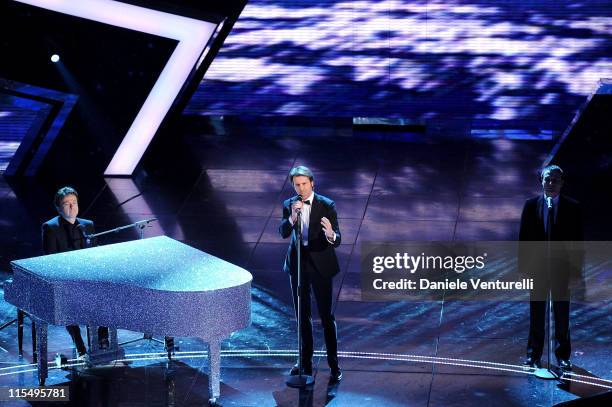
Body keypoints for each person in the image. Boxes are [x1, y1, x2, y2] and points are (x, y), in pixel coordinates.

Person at [279, 166, 343, 383]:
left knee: (326, 317)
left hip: (321, 265)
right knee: (302, 316)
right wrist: (292, 219)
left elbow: (338, 237)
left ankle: (334, 364)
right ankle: (304, 361)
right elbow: (282, 232)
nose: (301, 188)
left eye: (304, 183)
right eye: (297, 184)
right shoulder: (290, 205)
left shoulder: (327, 205)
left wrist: (331, 234)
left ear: (312, 183)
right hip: (298, 264)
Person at [519, 165, 583, 371]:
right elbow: (524, 239)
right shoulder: (531, 206)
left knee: (561, 314)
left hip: (562, 270)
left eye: (555, 180)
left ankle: (562, 356)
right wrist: (523, 269)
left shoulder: (573, 207)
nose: (550, 183)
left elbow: (578, 243)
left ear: (562, 183)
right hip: (537, 269)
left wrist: (575, 272)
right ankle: (533, 355)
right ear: (541, 181)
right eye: (547, 179)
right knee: (536, 313)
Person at [42, 186, 109, 358]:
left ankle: (103, 339)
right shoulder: (50, 227)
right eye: (66, 203)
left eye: (74, 203)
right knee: (66, 304)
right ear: (58, 207)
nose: (72, 207)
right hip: (65, 280)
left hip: (88, 278)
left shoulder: (88, 225)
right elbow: (51, 260)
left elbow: (96, 255)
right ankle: (80, 346)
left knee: (107, 294)